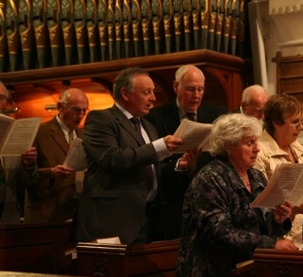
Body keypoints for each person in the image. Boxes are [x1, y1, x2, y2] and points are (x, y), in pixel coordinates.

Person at [176, 114, 297, 277]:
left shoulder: (256, 176)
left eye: (256, 142)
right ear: (228, 147)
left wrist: (278, 219)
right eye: (249, 143)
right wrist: (271, 245)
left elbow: (261, 226)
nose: (257, 149)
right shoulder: (210, 178)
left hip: (251, 272)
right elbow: (218, 232)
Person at [75, 67, 183, 244]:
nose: (153, 98)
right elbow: (113, 159)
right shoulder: (101, 119)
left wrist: (179, 166)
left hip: (149, 219)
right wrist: (159, 147)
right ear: (125, 93)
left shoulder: (149, 127)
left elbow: (150, 170)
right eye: (146, 92)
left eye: (153, 92)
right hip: (112, 221)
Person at [145, 64, 227, 239]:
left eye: (200, 89)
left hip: (210, 199)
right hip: (173, 201)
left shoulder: (217, 114)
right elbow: (153, 165)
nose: (196, 96)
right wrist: (179, 165)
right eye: (190, 89)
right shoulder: (155, 118)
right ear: (176, 87)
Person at [253, 94, 303, 246]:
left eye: (302, 121)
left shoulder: (299, 149)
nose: (301, 127)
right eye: (295, 122)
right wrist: (297, 208)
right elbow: (261, 201)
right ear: (276, 123)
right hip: (285, 235)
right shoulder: (259, 151)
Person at [25, 88, 89, 224]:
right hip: (46, 213)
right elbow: (24, 178)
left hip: (76, 212)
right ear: (60, 107)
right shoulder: (39, 132)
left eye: (85, 110)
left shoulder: (84, 135)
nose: (81, 115)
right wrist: (51, 172)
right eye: (76, 110)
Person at [0, 81, 38, 224]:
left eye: (1, 98)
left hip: (7, 216)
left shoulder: (12, 129)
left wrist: (28, 165)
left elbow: (26, 182)